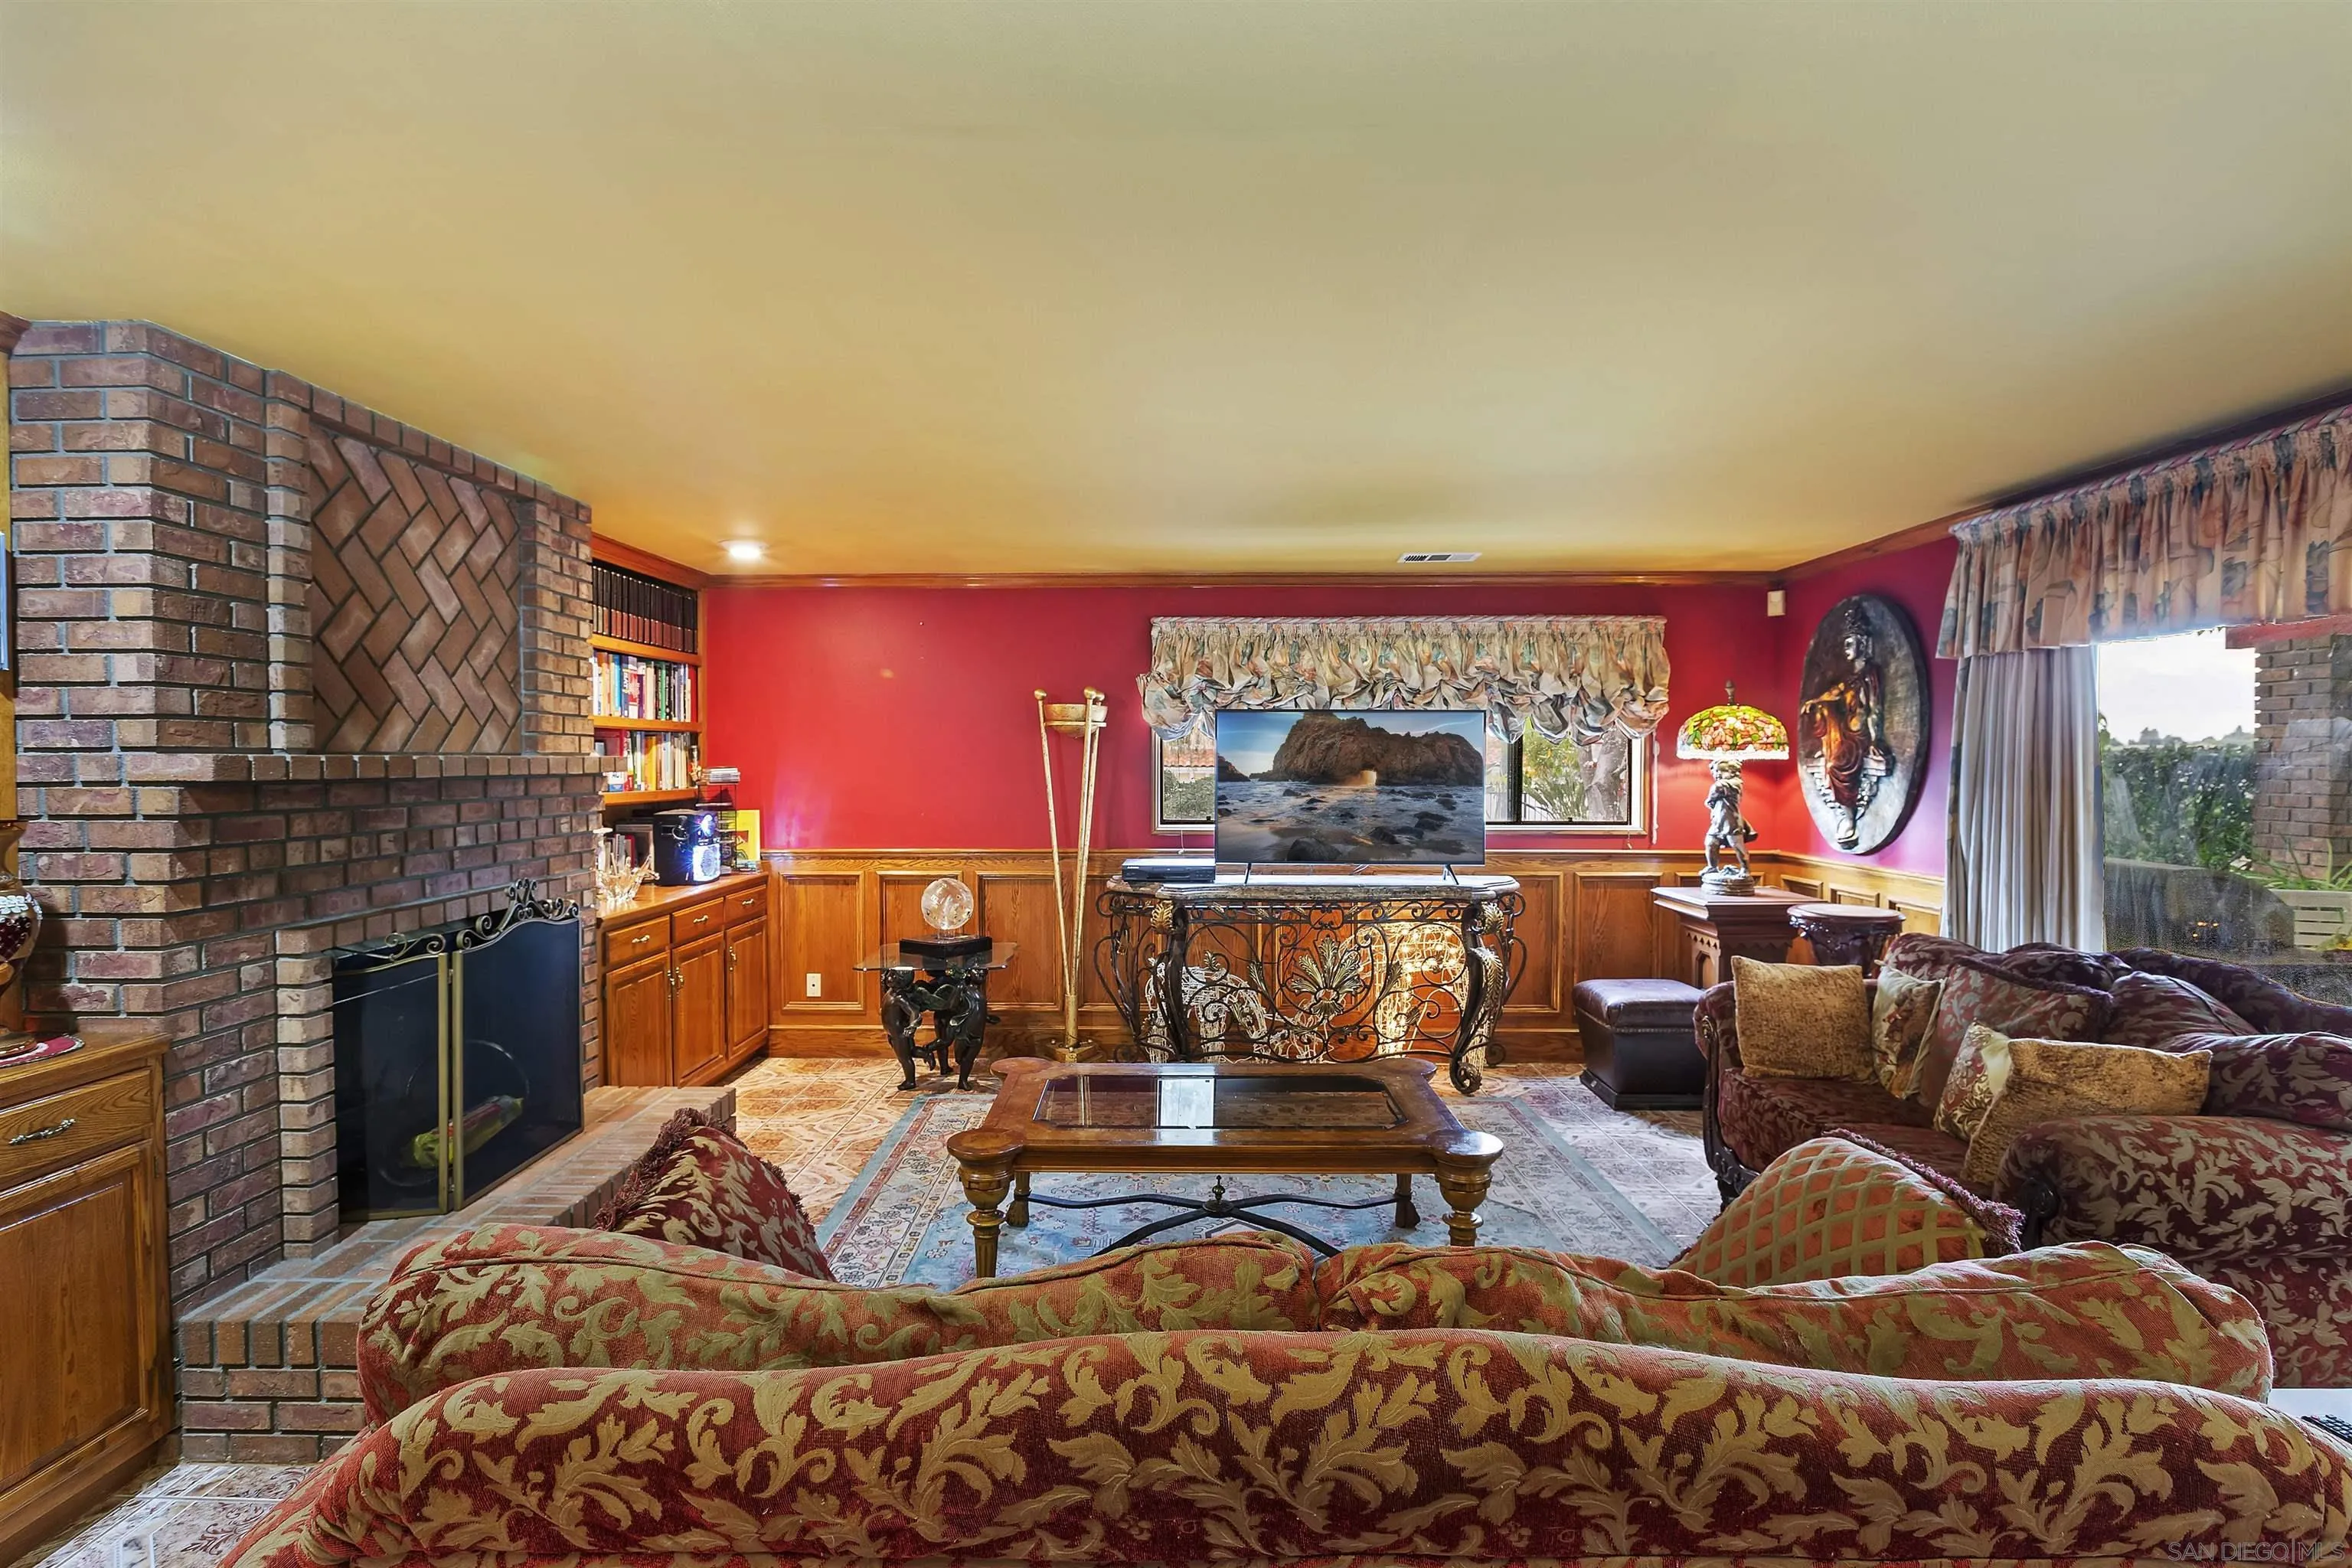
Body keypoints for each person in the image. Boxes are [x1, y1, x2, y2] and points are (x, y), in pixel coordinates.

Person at [1800, 610, 1893, 848]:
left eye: (1851, 643)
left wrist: (1874, 740)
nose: (1847, 648)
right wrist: (1813, 703)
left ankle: (1848, 816)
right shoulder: (1850, 677)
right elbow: (1835, 693)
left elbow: (1875, 709)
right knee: (1823, 708)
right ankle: (1826, 745)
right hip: (1844, 732)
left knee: (1834, 766)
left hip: (1859, 736)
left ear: (1862, 644)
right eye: (1845, 643)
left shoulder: (1870, 675)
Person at [1701, 758, 1758, 889]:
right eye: (1715, 772)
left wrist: (1710, 800)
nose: (1717, 774)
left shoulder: (1733, 783)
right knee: (1710, 843)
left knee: (1737, 845)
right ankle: (1712, 867)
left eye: (1720, 771)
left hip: (1731, 820)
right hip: (1718, 820)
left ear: (1732, 771)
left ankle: (1745, 869)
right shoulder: (1725, 783)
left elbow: (1716, 791)